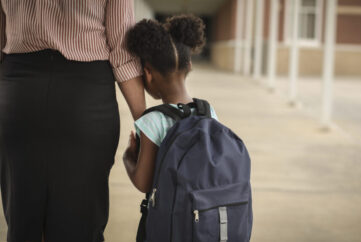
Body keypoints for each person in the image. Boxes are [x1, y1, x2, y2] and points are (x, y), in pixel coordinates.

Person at [0, 1, 145, 241]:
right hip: (85, 98)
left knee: (22, 218)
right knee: (80, 221)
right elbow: (122, 50)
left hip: (19, 96)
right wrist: (145, 126)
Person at [122, 15, 217, 193]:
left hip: (170, 218)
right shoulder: (207, 111)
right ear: (188, 66)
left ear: (148, 73)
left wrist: (128, 157)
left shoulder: (153, 121)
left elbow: (143, 183)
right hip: (207, 213)